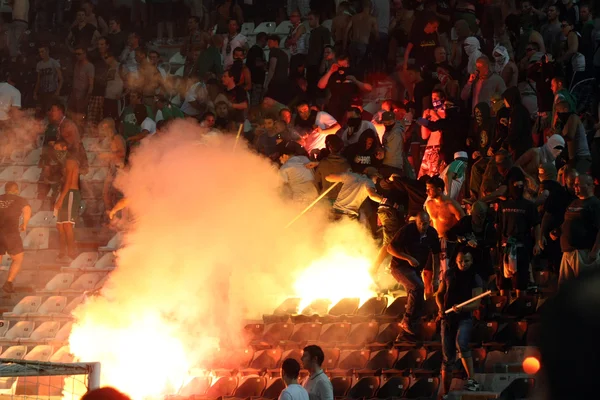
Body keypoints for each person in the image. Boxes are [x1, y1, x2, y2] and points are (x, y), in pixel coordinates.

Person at [437, 250, 482, 395]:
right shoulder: (449, 274)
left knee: (461, 343)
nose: (463, 264)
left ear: (472, 261)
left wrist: (462, 308)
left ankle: (472, 380)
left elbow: (476, 303)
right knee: (447, 356)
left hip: (465, 317)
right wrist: (441, 308)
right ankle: (445, 393)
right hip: (448, 318)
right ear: (456, 261)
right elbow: (439, 293)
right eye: (460, 261)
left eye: (466, 261)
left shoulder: (475, 277)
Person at [387, 211, 441, 335]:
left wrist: (436, 278)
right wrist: (408, 258)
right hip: (399, 267)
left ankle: (414, 324)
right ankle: (407, 321)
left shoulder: (432, 234)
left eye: (426, 224)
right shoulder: (407, 230)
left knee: (416, 294)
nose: (423, 226)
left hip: (415, 270)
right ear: (416, 222)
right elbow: (390, 248)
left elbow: (436, 257)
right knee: (418, 287)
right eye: (420, 223)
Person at [496, 167, 542, 298]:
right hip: (505, 247)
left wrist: (537, 244)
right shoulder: (503, 205)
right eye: (515, 186)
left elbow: (536, 225)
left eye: (521, 186)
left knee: (520, 281)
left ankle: (520, 308)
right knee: (503, 282)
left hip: (522, 247)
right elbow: (498, 225)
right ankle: (504, 307)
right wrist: (497, 244)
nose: (518, 188)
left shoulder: (528, 205)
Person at [556, 175, 600, 284]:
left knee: (582, 289)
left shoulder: (595, 204)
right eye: (574, 184)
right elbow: (568, 222)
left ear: (590, 186)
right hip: (567, 252)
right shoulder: (574, 203)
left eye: (578, 185)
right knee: (565, 289)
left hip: (583, 253)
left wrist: (594, 251)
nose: (574, 187)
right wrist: (558, 230)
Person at [424, 176, 465, 290]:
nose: (427, 191)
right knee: (427, 272)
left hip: (449, 243)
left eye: (430, 188)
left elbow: (464, 222)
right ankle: (428, 299)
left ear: (439, 189)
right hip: (434, 241)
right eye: (426, 188)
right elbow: (431, 223)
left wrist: (456, 238)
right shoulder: (429, 204)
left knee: (447, 274)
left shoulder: (451, 205)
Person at [447, 201, 497, 283]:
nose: (481, 218)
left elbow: (493, 241)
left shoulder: (488, 225)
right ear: (472, 213)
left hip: (481, 259)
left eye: (483, 215)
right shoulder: (465, 221)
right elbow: (449, 234)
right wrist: (459, 238)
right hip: (464, 260)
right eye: (478, 215)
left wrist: (478, 243)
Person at [0, 182, 31, 293]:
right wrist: (24, 224)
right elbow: (27, 210)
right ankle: (8, 283)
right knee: (18, 258)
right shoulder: (20, 200)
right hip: (10, 233)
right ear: (16, 190)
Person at [53, 141, 81, 262]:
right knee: (59, 226)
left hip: (70, 194)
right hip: (63, 193)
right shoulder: (63, 163)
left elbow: (69, 183)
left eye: (58, 149)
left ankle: (71, 253)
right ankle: (62, 252)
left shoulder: (70, 161)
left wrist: (60, 199)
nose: (57, 152)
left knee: (67, 225)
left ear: (65, 148)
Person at [344, 0, 379, 78]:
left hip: (352, 45)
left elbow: (346, 31)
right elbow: (377, 36)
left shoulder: (354, 17)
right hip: (363, 46)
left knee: (352, 68)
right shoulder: (372, 19)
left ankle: (351, 86)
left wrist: (344, 46)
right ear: (371, 8)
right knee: (362, 69)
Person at [556, 101, 592, 174]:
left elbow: (570, 136)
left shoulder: (573, 117)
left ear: (565, 110)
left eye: (558, 111)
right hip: (574, 159)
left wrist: (556, 137)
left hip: (581, 158)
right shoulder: (566, 123)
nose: (557, 115)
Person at [314, 135, 351, 202]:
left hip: (326, 198)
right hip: (342, 200)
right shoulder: (347, 165)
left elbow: (316, 181)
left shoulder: (323, 164)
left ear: (329, 148)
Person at [34, 45, 63, 114]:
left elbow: (61, 79)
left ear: (47, 51)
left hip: (52, 91)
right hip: (42, 91)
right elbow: (38, 80)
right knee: (41, 111)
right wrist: (35, 92)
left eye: (42, 51)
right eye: (40, 52)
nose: (41, 54)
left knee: (50, 111)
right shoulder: (39, 64)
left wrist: (58, 91)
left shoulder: (54, 63)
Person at [69, 46, 95, 121]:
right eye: (76, 54)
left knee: (80, 118)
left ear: (84, 54)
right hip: (74, 94)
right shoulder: (77, 64)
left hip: (82, 95)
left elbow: (91, 84)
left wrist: (87, 98)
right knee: (71, 116)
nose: (77, 56)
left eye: (79, 54)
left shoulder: (90, 66)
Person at [264, 35, 290, 106]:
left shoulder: (273, 52)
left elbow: (272, 68)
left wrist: (267, 84)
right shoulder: (285, 54)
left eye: (270, 41)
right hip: (284, 82)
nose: (268, 44)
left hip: (275, 82)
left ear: (276, 42)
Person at [246, 32, 267, 107]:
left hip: (254, 81)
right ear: (262, 39)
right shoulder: (257, 50)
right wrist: (266, 64)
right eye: (266, 40)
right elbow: (257, 63)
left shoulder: (253, 49)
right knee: (255, 103)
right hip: (256, 82)